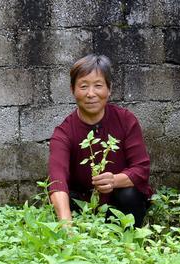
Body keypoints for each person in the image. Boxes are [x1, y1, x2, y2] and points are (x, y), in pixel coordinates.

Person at [48, 54, 153, 228]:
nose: (91, 94)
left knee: (128, 195)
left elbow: (141, 169)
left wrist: (114, 180)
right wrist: (66, 226)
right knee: (67, 199)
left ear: (109, 89)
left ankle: (128, 236)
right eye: (83, 86)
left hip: (120, 204)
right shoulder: (64, 132)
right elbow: (57, 180)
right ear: (73, 89)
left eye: (98, 86)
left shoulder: (126, 120)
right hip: (85, 205)